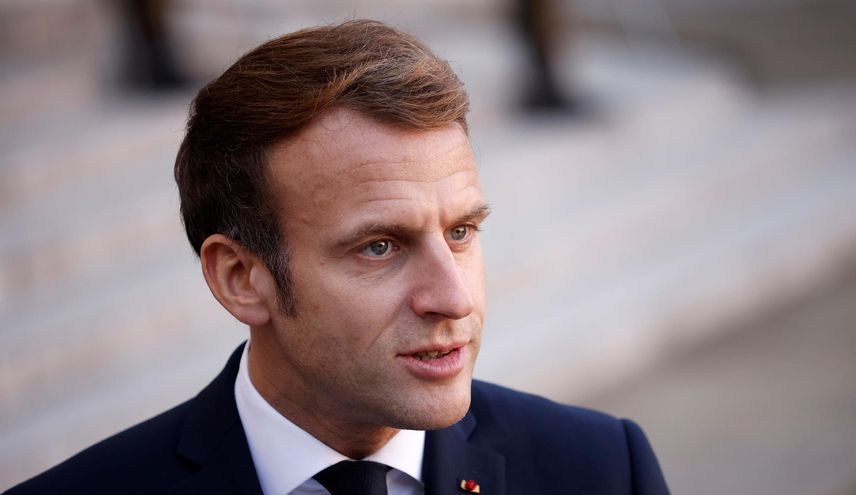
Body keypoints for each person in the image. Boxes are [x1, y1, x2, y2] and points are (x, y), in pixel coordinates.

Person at [7, 20, 669, 495]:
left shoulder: (602, 468)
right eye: (380, 246)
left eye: (462, 232)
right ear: (241, 278)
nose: (454, 297)